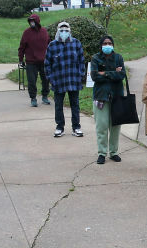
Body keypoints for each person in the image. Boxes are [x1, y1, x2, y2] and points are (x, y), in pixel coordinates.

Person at [44, 21, 85, 138]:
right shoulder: (52, 45)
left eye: (66, 30)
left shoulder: (76, 43)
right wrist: (51, 78)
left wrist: (80, 75)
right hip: (58, 80)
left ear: (70, 31)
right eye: (61, 30)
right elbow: (47, 64)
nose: (64, 32)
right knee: (58, 105)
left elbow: (81, 61)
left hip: (73, 80)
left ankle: (76, 127)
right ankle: (59, 127)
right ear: (58, 31)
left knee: (75, 104)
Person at [90, 35, 126, 164]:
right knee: (102, 126)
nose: (107, 45)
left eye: (109, 43)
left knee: (115, 126)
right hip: (101, 96)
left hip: (117, 96)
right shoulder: (95, 58)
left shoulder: (118, 58)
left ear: (113, 45)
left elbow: (122, 75)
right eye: (105, 43)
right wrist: (113, 72)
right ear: (101, 45)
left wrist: (104, 72)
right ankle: (102, 153)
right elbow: (95, 76)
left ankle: (114, 152)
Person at [18, 13, 51, 107]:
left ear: (37, 21)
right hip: (31, 61)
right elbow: (22, 47)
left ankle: (45, 96)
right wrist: (21, 59)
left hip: (44, 61)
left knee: (46, 80)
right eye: (30, 21)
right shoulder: (27, 32)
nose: (32, 23)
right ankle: (33, 98)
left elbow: (49, 44)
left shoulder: (44, 31)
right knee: (32, 81)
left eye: (33, 21)